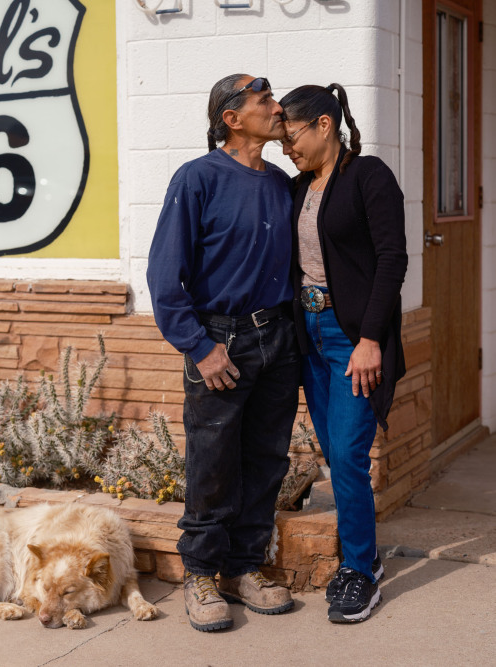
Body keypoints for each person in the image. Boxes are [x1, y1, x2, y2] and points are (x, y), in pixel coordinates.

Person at [147, 74, 300, 632]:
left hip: (277, 339)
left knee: (266, 459)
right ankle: (202, 573)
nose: (278, 108)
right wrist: (199, 347)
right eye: (265, 102)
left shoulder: (283, 183)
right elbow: (165, 275)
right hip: (221, 341)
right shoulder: (197, 179)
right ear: (232, 119)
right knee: (212, 462)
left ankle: (244, 567)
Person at [278, 83, 408, 623]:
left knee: (350, 455)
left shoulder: (368, 176)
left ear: (324, 125)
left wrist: (371, 339)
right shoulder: (297, 188)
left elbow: (392, 258)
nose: (288, 149)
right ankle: (366, 551)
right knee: (334, 452)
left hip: (352, 336)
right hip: (308, 335)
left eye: (292, 138)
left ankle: (359, 569)